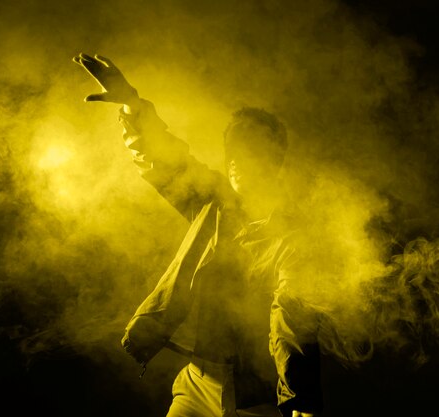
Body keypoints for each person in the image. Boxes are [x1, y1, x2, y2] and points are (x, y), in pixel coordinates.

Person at [73, 53, 323, 417]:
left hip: (256, 393)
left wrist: (299, 397)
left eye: (250, 149)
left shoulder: (291, 235)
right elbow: (167, 161)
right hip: (197, 382)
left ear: (274, 160)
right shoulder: (213, 203)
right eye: (232, 150)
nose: (236, 159)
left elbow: (292, 320)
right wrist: (131, 105)